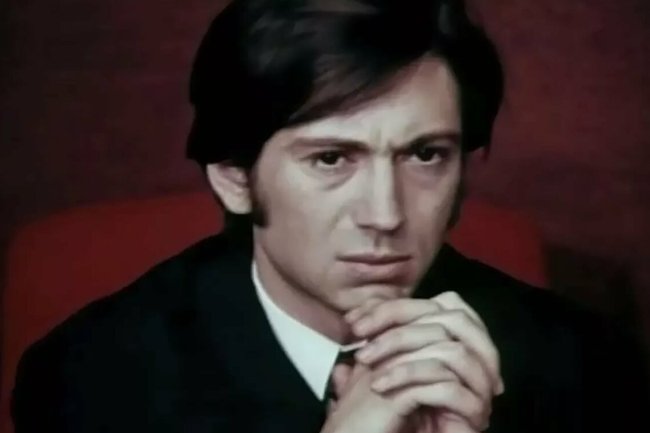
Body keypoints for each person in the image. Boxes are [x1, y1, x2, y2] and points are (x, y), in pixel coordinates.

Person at [10, 0, 648, 432]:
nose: (385, 215)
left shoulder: (589, 366)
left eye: (425, 154)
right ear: (234, 178)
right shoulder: (92, 377)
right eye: (331, 159)